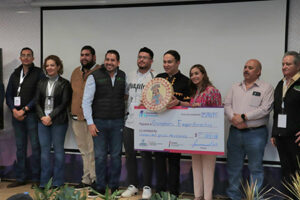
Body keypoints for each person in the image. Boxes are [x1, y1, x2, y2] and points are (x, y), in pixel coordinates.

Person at [224, 59, 274, 200]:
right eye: (245, 67)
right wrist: (234, 118)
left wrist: (244, 117)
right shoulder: (235, 87)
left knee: (255, 168)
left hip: (256, 134)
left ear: (258, 71)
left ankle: (254, 197)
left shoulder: (266, 87)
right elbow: (227, 105)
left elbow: (265, 109)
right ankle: (233, 196)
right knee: (233, 168)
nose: (246, 69)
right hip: (235, 133)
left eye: (250, 68)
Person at [82, 50, 127, 197]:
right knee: (100, 156)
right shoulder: (94, 76)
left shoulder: (122, 76)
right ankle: (100, 187)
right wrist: (90, 123)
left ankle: (114, 186)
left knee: (116, 155)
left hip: (117, 122)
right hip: (99, 123)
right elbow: (86, 102)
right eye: (107, 59)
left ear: (118, 62)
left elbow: (125, 97)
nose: (109, 62)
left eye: (113, 60)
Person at [180, 64, 222, 200]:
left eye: (196, 73)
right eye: (191, 74)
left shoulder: (212, 91)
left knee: (208, 170)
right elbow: (192, 107)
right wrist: (180, 103)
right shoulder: (195, 92)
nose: (193, 76)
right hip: (195, 136)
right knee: (196, 168)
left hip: (209, 137)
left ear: (203, 74)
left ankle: (207, 197)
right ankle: (198, 196)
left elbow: (217, 114)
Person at [5, 47, 44, 188]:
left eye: (29, 55)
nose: (26, 58)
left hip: (32, 115)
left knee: (35, 147)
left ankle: (37, 179)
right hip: (16, 116)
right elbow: (8, 94)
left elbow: (39, 94)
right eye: (23, 55)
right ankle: (21, 177)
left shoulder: (39, 73)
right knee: (20, 148)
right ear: (20, 58)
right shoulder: (15, 73)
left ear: (33, 58)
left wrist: (26, 109)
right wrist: (14, 110)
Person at [121, 47, 156, 199]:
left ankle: (147, 187)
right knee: (130, 154)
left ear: (151, 61)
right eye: (139, 57)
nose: (141, 60)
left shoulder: (155, 77)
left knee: (146, 155)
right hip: (129, 121)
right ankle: (133, 185)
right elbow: (125, 96)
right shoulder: (129, 76)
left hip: (147, 122)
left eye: (145, 57)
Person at [154, 50, 190, 196]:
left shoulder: (186, 81)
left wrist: (179, 103)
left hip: (176, 129)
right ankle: (160, 192)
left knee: (174, 162)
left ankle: (173, 194)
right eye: (164, 62)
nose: (166, 65)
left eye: (169, 62)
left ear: (178, 62)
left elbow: (189, 103)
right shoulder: (158, 78)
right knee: (159, 161)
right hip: (158, 126)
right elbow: (151, 99)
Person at [35, 55, 72, 188]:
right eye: (47, 65)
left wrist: (50, 117)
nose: (49, 68)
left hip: (58, 122)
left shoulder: (65, 83)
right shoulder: (41, 82)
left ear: (58, 67)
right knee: (44, 152)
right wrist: (42, 117)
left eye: (52, 65)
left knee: (58, 151)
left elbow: (64, 103)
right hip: (42, 122)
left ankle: (58, 182)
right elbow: (37, 102)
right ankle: (44, 182)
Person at [70, 46, 101, 189]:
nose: (84, 57)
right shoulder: (76, 72)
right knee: (83, 150)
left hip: (92, 119)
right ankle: (86, 179)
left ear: (94, 57)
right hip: (77, 117)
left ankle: (95, 179)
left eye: (87, 55)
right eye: (82, 55)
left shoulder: (100, 71)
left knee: (93, 150)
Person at [271, 51, 300, 195]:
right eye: (283, 64)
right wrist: (274, 132)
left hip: (297, 137)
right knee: (286, 173)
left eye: (288, 64)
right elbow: (277, 110)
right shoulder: (280, 83)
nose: (284, 67)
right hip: (281, 136)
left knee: (298, 173)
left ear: (298, 65)